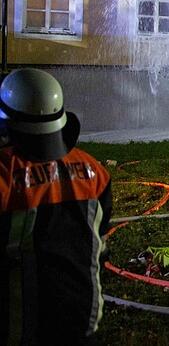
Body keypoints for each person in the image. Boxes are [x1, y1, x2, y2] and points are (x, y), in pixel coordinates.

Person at [0, 68, 112, 345]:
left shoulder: (5, 175)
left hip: (22, 325)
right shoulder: (94, 171)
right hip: (83, 318)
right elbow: (101, 244)